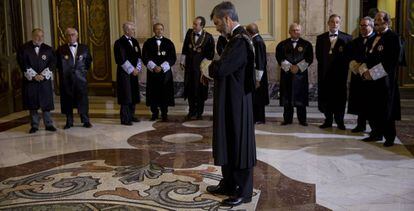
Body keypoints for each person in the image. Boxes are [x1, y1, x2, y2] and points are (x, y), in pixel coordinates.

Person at [203, 1, 256, 206]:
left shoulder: (241, 40)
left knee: (239, 143)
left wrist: (207, 65)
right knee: (227, 140)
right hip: (228, 100)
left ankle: (243, 191)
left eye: (217, 23)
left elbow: (222, 68)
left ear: (227, 18)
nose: (216, 27)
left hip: (238, 102)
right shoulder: (231, 39)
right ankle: (228, 183)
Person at [359, 11, 401, 147]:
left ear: (386, 22)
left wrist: (373, 74)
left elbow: (391, 61)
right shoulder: (372, 38)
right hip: (371, 80)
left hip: (385, 81)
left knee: (386, 109)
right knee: (373, 107)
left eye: (379, 19)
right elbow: (366, 57)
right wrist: (364, 71)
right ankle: (376, 133)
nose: (376, 21)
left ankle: (390, 137)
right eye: (375, 19)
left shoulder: (393, 37)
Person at [316, 14, 352, 130]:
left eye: (337, 22)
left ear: (339, 24)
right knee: (326, 98)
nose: (334, 24)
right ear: (328, 23)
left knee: (339, 99)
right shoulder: (320, 38)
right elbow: (319, 56)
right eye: (332, 22)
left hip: (340, 76)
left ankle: (340, 121)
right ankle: (328, 120)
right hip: (325, 74)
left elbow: (348, 57)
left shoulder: (347, 38)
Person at [17, 28, 57, 133]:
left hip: (44, 80)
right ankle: (34, 125)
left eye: (41, 36)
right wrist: (34, 75)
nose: (39, 38)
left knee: (46, 103)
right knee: (32, 103)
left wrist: (43, 75)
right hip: (31, 81)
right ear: (32, 36)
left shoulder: (48, 49)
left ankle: (48, 124)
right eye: (37, 36)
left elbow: (53, 63)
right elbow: (22, 63)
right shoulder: (24, 48)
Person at [276, 23, 313, 126]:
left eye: (298, 30)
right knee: (287, 98)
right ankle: (287, 119)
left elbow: (309, 58)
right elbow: (279, 57)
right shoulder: (282, 44)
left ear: (300, 31)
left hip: (300, 76)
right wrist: (289, 67)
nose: (296, 32)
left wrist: (298, 67)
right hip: (287, 75)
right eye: (294, 30)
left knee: (301, 99)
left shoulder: (307, 44)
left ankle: (302, 120)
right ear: (289, 31)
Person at [56, 28, 93, 129]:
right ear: (65, 37)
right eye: (68, 35)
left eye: (73, 35)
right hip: (66, 80)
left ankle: (85, 120)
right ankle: (69, 121)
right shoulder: (60, 49)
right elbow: (58, 64)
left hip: (80, 79)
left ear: (77, 36)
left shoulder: (84, 48)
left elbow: (88, 62)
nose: (71, 37)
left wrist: (82, 72)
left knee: (82, 99)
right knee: (67, 100)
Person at [180, 16, 215, 120]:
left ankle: (199, 112)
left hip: (200, 70)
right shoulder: (189, 33)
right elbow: (185, 48)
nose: (193, 26)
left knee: (200, 91)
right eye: (193, 24)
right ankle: (191, 112)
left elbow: (211, 55)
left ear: (202, 26)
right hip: (190, 68)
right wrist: (182, 61)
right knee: (190, 89)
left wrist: (205, 67)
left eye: (196, 24)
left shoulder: (208, 37)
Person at [142, 23, 176, 121]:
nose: (159, 31)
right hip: (153, 73)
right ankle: (154, 113)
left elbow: (172, 58)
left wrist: (161, 67)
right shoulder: (148, 42)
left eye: (161, 29)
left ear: (163, 30)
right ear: (154, 30)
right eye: (157, 29)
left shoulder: (169, 42)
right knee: (153, 93)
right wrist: (153, 66)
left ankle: (164, 113)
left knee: (164, 92)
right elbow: (145, 57)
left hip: (165, 74)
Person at [347, 17, 376, 133]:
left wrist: (365, 66)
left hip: (370, 76)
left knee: (371, 102)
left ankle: (374, 128)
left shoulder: (376, 39)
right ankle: (360, 125)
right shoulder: (355, 41)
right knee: (359, 100)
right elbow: (350, 55)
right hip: (357, 75)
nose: (363, 28)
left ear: (371, 26)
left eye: (365, 25)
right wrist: (354, 64)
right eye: (361, 25)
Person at [114, 22, 143, 125]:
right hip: (124, 73)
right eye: (132, 29)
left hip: (134, 72)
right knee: (126, 95)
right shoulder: (119, 42)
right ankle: (125, 118)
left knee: (133, 94)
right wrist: (132, 70)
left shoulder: (134, 41)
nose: (134, 31)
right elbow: (121, 59)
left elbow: (139, 56)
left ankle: (132, 115)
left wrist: (138, 68)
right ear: (126, 30)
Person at [246, 23, 269, 124]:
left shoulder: (257, 41)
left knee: (258, 98)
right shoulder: (256, 40)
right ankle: (256, 117)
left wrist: (258, 79)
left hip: (259, 75)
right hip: (256, 74)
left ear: (249, 32)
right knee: (256, 97)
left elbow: (260, 60)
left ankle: (259, 118)